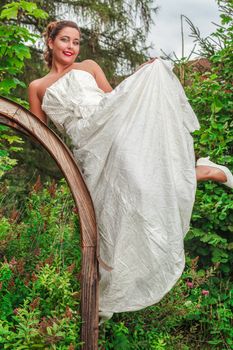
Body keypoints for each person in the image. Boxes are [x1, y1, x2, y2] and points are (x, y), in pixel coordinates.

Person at [28, 20, 233, 320]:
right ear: (50, 42)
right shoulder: (38, 87)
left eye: (77, 41)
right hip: (86, 149)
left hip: (110, 130)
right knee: (106, 214)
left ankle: (202, 172)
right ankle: (108, 291)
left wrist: (140, 76)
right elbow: (39, 135)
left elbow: (116, 99)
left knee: (142, 188)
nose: (72, 47)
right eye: (65, 41)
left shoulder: (89, 67)